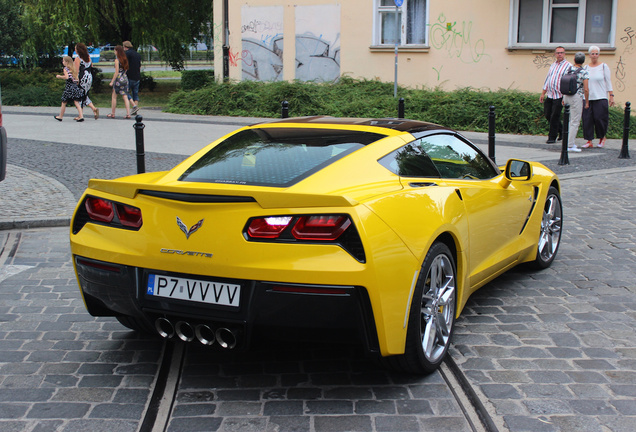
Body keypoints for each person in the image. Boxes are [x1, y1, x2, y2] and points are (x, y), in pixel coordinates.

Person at [582, 46, 615, 148]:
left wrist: (611, 95)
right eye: (592, 53)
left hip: (600, 96)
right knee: (587, 119)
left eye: (596, 54)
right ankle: (589, 140)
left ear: (599, 55)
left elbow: (608, 81)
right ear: (589, 55)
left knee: (600, 118)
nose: (594, 56)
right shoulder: (586, 68)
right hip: (588, 97)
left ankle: (602, 138)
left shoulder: (603, 66)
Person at [540, 46, 571, 143]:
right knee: (547, 114)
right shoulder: (553, 65)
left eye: (561, 53)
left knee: (555, 116)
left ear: (564, 54)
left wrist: (565, 96)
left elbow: (568, 82)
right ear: (555, 54)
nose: (560, 54)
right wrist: (543, 92)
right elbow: (548, 78)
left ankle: (552, 137)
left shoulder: (568, 66)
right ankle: (561, 130)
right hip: (550, 94)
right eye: (558, 53)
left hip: (559, 95)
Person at [561, 52, 589, 153]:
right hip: (577, 96)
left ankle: (567, 141)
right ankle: (570, 145)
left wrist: (563, 98)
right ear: (583, 61)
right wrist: (587, 101)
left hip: (567, 95)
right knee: (575, 121)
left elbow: (564, 83)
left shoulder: (568, 70)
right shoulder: (584, 72)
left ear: (574, 59)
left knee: (568, 121)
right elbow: (586, 89)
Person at [54, 56, 84, 122]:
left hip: (69, 88)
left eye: (63, 61)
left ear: (67, 62)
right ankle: (81, 116)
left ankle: (60, 116)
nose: (62, 62)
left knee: (64, 102)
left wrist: (59, 76)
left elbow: (67, 77)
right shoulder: (74, 69)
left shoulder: (65, 69)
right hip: (75, 87)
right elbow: (77, 80)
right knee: (76, 102)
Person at [74, 43, 99, 120]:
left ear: (78, 50)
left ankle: (81, 115)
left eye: (75, 48)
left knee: (80, 96)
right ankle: (93, 109)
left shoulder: (78, 59)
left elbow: (76, 71)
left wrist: (76, 80)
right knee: (84, 95)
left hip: (82, 78)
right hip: (89, 77)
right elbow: (91, 66)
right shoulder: (88, 57)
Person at [107, 45, 131, 119]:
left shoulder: (117, 60)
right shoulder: (125, 59)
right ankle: (128, 113)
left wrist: (112, 81)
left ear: (117, 51)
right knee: (125, 96)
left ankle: (113, 113)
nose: (114, 52)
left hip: (118, 79)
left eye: (115, 50)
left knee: (114, 96)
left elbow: (116, 72)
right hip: (125, 78)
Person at [123, 41, 141, 115]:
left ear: (125, 47)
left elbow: (125, 64)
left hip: (129, 76)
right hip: (137, 76)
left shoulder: (127, 54)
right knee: (135, 93)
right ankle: (135, 110)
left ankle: (134, 106)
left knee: (125, 91)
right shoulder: (137, 54)